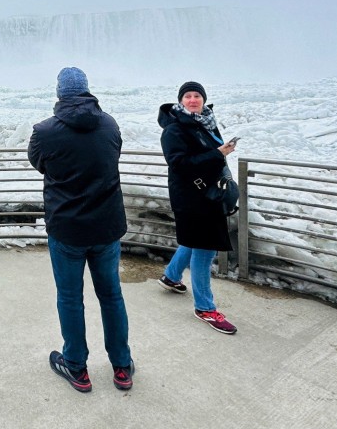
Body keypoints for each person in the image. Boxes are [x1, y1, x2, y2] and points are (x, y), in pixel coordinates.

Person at [28, 67, 134, 393]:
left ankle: (76, 366)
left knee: (71, 299)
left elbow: (38, 163)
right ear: (87, 90)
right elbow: (111, 155)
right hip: (106, 228)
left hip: (67, 229)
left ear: (59, 93)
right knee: (111, 296)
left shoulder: (44, 132)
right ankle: (121, 367)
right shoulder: (110, 124)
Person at [157, 80, 238, 334]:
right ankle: (205, 308)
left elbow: (212, 157)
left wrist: (220, 154)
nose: (193, 100)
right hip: (192, 199)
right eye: (188, 96)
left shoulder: (206, 123)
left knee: (194, 242)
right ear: (180, 101)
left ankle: (171, 276)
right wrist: (218, 154)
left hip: (207, 196)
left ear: (203, 100)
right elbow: (179, 164)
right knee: (204, 251)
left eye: (197, 96)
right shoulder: (174, 130)